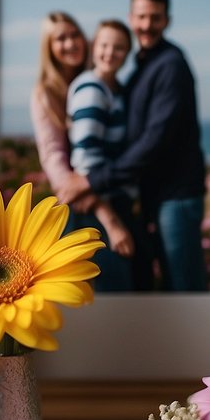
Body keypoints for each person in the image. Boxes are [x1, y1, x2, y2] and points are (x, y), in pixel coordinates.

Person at [59, 0, 207, 292]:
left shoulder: (170, 65)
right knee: (165, 286)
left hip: (176, 195)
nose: (147, 25)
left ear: (167, 20)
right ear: (131, 17)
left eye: (155, 18)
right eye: (141, 17)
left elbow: (156, 139)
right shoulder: (140, 66)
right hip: (154, 197)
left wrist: (92, 180)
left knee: (185, 290)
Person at [29, 11, 131, 290]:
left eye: (74, 34)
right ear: (48, 47)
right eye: (60, 38)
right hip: (86, 204)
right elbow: (55, 159)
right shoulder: (46, 93)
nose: (71, 43)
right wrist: (106, 213)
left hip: (97, 193)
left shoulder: (97, 82)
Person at [66, 20, 136, 259]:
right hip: (98, 209)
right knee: (112, 292)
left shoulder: (116, 88)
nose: (110, 52)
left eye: (119, 47)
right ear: (93, 46)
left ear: (127, 53)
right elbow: (86, 162)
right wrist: (111, 222)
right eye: (104, 44)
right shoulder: (92, 88)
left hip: (112, 201)